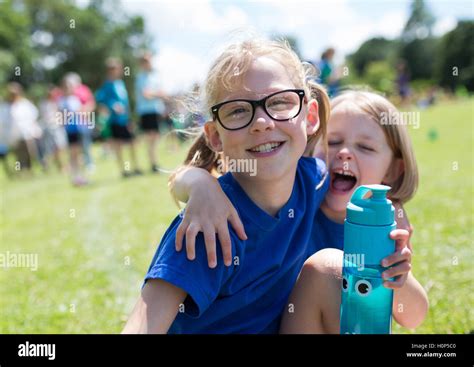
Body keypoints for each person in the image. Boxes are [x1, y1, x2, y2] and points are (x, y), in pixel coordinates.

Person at [169, 90, 428, 332]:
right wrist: (200, 183)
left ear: (393, 170)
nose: (345, 153)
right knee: (328, 267)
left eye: (366, 147)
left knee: (336, 275)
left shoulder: (382, 228)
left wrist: (398, 278)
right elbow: (182, 178)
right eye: (334, 141)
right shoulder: (292, 196)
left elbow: (413, 316)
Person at [122, 38, 331, 334]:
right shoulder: (205, 227)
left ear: (309, 117)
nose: (261, 122)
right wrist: (198, 182)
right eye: (237, 111)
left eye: (280, 101)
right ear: (215, 137)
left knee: (331, 271)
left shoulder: (314, 179)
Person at [96, 57, 142, 178]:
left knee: (132, 143)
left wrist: (130, 119)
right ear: (110, 70)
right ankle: (124, 170)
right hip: (115, 121)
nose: (119, 71)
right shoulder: (107, 85)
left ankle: (136, 167)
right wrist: (112, 106)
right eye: (116, 69)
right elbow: (100, 99)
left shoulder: (120, 83)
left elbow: (125, 103)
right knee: (119, 146)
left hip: (125, 120)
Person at [135, 52, 167, 173]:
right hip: (146, 112)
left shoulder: (155, 76)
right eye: (146, 61)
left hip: (155, 111)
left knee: (155, 138)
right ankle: (153, 164)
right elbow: (146, 95)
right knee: (150, 139)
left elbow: (160, 93)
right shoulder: (141, 78)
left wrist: (157, 95)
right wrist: (157, 94)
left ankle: (154, 163)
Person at [63, 72, 96, 171]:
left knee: (85, 144)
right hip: (71, 127)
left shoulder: (84, 90)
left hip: (83, 123)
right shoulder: (65, 96)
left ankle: (89, 163)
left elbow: (91, 103)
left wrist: (84, 111)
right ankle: (77, 166)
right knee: (74, 148)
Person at [58, 77, 88, 186]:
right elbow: (60, 115)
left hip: (79, 129)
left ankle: (82, 176)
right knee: (72, 154)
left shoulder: (75, 99)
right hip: (69, 131)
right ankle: (75, 176)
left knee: (79, 153)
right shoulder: (61, 101)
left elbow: (81, 112)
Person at [38, 85, 67, 172]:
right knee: (51, 149)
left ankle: (60, 165)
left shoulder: (57, 102)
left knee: (60, 147)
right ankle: (49, 165)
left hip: (57, 127)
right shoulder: (44, 104)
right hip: (50, 128)